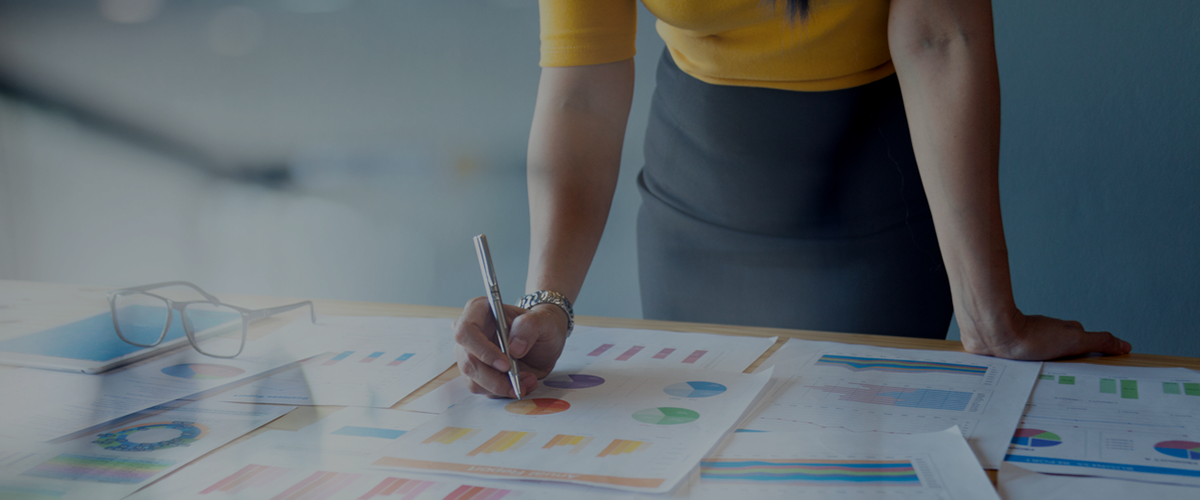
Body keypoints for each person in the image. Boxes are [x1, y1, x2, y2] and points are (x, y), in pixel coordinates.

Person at [453, 0, 1131, 399]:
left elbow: (939, 35)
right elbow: (583, 87)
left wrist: (990, 318)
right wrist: (546, 303)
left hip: (872, 183)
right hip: (696, 196)